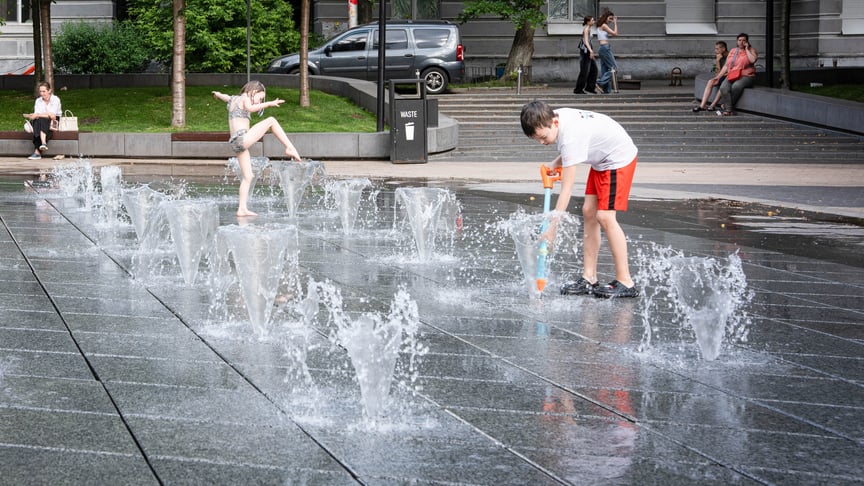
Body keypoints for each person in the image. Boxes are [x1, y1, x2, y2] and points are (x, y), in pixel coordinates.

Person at [520, 100, 639, 298]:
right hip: (601, 161)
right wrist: (556, 162)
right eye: (537, 140)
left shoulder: (570, 135)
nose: (542, 143)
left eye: (543, 137)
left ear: (554, 123)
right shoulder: (552, 117)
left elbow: (567, 189)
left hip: (618, 159)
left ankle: (626, 281)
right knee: (589, 212)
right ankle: (589, 277)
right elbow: (573, 149)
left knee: (605, 217)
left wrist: (552, 228)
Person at [212, 80, 301, 217]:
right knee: (271, 120)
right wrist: (269, 103)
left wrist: (218, 94)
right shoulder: (245, 98)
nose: (259, 102)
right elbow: (251, 108)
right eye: (259, 98)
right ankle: (289, 147)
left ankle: (242, 209)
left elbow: (225, 97)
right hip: (242, 139)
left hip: (236, 143)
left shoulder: (234, 99)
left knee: (248, 176)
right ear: (254, 91)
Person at [715, 33, 758, 116]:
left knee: (736, 86)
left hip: (747, 76)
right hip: (733, 74)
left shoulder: (751, 50)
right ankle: (728, 108)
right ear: (737, 41)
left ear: (747, 41)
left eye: (744, 40)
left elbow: (752, 60)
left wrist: (747, 49)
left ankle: (727, 109)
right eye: (739, 40)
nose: (741, 42)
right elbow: (726, 65)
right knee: (723, 87)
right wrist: (718, 77)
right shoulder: (733, 51)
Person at [24, 82, 62, 160]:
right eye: (40, 91)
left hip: (54, 121)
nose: (42, 93)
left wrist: (38, 115)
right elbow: (38, 114)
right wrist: (36, 115)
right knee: (39, 120)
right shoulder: (38, 101)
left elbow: (53, 116)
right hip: (40, 120)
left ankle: (37, 152)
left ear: (49, 91)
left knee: (41, 120)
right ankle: (43, 143)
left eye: (44, 91)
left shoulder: (55, 99)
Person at [692, 41, 728, 112]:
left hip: (729, 77)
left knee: (723, 85)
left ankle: (712, 105)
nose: (715, 51)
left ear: (723, 49)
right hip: (721, 76)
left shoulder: (729, 56)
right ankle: (702, 105)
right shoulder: (719, 57)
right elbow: (718, 73)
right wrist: (717, 60)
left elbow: (728, 72)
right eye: (715, 49)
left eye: (717, 49)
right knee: (710, 82)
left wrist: (720, 75)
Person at [573, 15, 598, 95]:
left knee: (594, 69)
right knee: (584, 71)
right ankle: (578, 89)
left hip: (588, 51)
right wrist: (591, 51)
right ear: (588, 22)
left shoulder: (589, 28)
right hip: (585, 52)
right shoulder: (586, 29)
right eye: (592, 20)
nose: (593, 21)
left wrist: (591, 51)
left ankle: (590, 88)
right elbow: (586, 41)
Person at [595, 9, 619, 94]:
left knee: (605, 70)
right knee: (614, 68)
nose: (611, 20)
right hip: (605, 48)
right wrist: (615, 23)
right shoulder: (604, 25)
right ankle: (599, 82)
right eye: (610, 18)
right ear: (606, 18)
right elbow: (615, 34)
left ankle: (606, 90)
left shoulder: (600, 25)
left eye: (612, 19)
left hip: (602, 48)